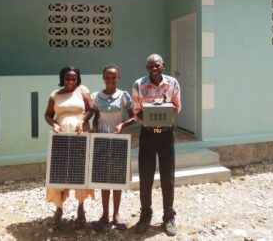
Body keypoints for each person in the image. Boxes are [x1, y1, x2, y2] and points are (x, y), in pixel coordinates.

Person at [132, 54, 181, 236]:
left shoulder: (173, 83)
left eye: (157, 65)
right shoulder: (139, 84)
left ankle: (168, 216)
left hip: (166, 135)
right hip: (148, 135)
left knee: (168, 177)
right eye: (150, 66)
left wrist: (162, 109)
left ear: (163, 65)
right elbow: (136, 111)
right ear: (146, 67)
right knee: (146, 176)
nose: (154, 68)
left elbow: (177, 107)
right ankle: (145, 214)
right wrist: (152, 115)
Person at [44, 65, 94, 230]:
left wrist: (81, 121)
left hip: (79, 136)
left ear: (77, 79)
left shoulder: (82, 90)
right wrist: (55, 124)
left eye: (73, 78)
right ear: (62, 78)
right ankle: (58, 209)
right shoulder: (55, 94)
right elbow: (48, 115)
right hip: (61, 138)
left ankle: (81, 209)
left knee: (79, 171)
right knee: (59, 171)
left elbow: (91, 109)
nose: (71, 81)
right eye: (67, 78)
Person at [91, 63, 135, 231]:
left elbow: (134, 117)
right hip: (101, 141)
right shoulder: (96, 97)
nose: (110, 79)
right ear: (103, 78)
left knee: (117, 179)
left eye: (113, 77)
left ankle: (116, 214)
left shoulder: (124, 96)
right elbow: (95, 117)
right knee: (103, 179)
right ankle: (104, 214)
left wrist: (122, 126)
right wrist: (94, 127)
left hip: (119, 142)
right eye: (107, 76)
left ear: (118, 78)